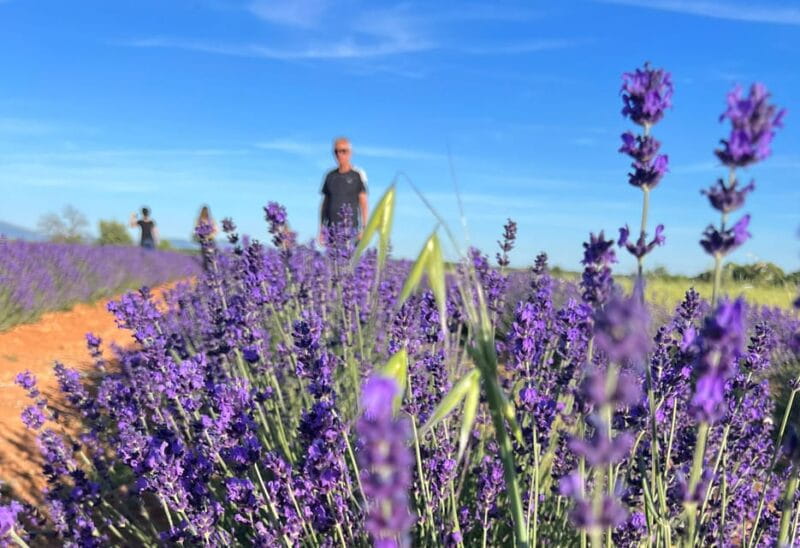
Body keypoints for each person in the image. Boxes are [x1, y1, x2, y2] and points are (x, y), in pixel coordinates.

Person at [319, 137, 368, 244]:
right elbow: (324, 204)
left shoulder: (358, 174)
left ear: (351, 153)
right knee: (332, 260)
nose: (339, 154)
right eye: (336, 151)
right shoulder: (329, 176)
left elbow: (363, 203)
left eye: (343, 151)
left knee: (349, 260)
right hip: (331, 231)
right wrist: (321, 229)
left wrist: (364, 228)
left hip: (351, 230)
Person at [194, 205, 218, 271]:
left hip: (204, 241)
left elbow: (196, 231)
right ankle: (214, 272)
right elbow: (216, 230)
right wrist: (210, 234)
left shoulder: (199, 220)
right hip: (210, 240)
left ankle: (208, 273)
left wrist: (201, 235)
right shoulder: (211, 220)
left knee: (206, 258)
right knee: (213, 258)